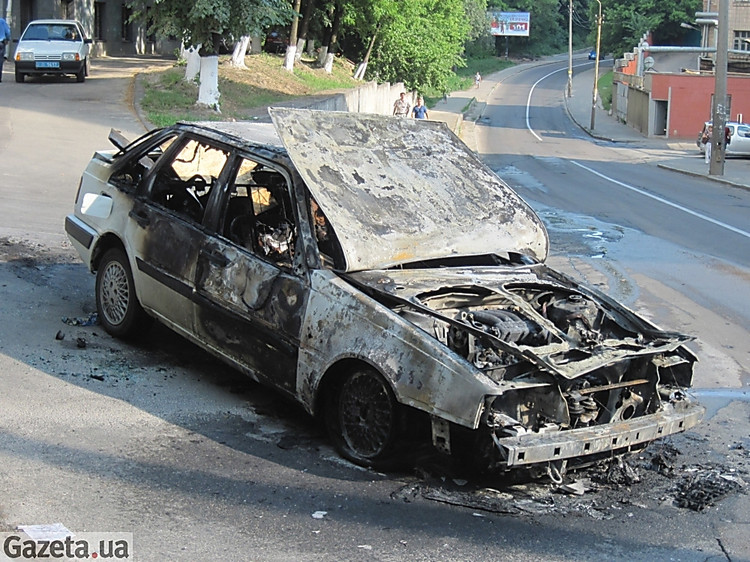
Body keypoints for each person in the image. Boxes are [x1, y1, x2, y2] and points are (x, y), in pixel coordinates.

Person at [0, 16, 11, 83]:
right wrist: (8, 39)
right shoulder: (2, 21)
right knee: (0, 61)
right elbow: (8, 32)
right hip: (1, 43)